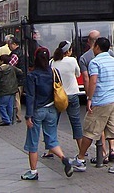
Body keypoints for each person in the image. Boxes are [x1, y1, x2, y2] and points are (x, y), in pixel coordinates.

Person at [72, 37, 114, 175]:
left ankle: (80, 160)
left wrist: (89, 98)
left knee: (90, 130)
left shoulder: (95, 62)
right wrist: (113, 89)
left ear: (97, 47)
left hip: (101, 101)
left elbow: (93, 81)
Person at [20, 47, 74, 180]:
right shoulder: (54, 72)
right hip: (52, 110)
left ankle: (33, 172)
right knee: (52, 139)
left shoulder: (32, 75)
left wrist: (28, 116)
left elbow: (30, 97)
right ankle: (64, 158)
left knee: (33, 142)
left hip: (37, 111)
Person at [78, 30, 114, 165]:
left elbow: (88, 79)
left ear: (90, 42)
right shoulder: (111, 55)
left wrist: (90, 97)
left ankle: (101, 154)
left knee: (95, 127)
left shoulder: (85, 58)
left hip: (100, 98)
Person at [46, 41, 83, 156]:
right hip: (72, 94)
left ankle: (50, 149)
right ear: (69, 51)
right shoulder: (72, 60)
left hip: (58, 96)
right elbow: (78, 74)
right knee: (76, 122)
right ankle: (82, 149)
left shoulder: (52, 62)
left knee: (53, 123)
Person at [0, 54, 23, 126]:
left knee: (1, 105)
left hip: (4, 90)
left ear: (2, 61)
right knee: (10, 105)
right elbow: (21, 72)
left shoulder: (0, 70)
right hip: (13, 89)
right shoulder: (12, 68)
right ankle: (10, 118)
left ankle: (6, 119)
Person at [7, 37, 26, 123]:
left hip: (17, 79)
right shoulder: (22, 51)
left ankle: (18, 116)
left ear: (14, 44)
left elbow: (10, 65)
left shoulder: (15, 54)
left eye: (9, 45)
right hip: (22, 78)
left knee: (16, 98)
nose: (8, 47)